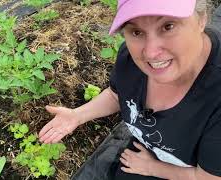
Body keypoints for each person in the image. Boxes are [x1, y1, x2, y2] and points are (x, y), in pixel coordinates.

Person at [39, 0, 221, 179]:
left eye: (168, 26)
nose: (150, 53)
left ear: (202, 19)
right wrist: (78, 115)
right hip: (147, 152)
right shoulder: (130, 59)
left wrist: (153, 168)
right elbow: (116, 95)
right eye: (136, 32)